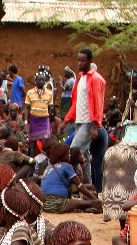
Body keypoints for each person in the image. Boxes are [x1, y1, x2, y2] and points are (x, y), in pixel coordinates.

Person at [63, 48, 105, 187]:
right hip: (79, 121)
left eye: (83, 60)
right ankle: (89, 187)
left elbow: (99, 102)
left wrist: (95, 124)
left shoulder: (96, 79)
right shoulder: (80, 78)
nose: (79, 63)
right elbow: (76, 102)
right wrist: (67, 120)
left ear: (89, 61)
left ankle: (71, 184)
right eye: (78, 60)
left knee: (73, 151)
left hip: (88, 122)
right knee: (84, 157)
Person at [39, 141, 101, 214]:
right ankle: (92, 205)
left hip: (44, 204)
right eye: (68, 153)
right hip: (58, 203)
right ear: (62, 155)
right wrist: (94, 199)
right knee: (91, 202)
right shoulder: (66, 166)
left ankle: (88, 206)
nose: (69, 155)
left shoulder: (49, 167)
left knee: (82, 201)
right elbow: (80, 186)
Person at [24, 70, 54, 154]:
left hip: (44, 120)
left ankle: (44, 160)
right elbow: (27, 108)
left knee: (45, 141)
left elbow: (51, 106)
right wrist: (26, 121)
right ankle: (34, 160)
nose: (41, 82)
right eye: (39, 80)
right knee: (33, 142)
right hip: (34, 120)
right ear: (35, 81)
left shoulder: (49, 93)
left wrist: (51, 118)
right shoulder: (30, 93)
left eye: (43, 80)